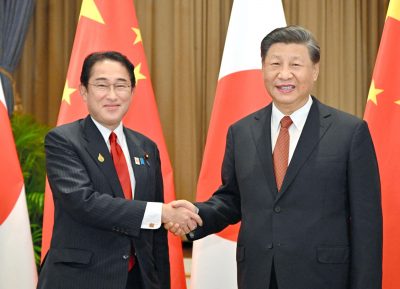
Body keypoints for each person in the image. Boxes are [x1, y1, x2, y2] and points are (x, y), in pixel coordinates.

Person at [168, 26, 382, 289]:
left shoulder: (349, 132)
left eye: (295, 64)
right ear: (263, 69)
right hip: (259, 275)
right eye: (275, 64)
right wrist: (197, 214)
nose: (284, 74)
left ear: (314, 71)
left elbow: (366, 223)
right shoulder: (241, 131)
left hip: (324, 278)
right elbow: (232, 199)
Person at [37, 51, 202, 289]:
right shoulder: (63, 140)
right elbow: (84, 203)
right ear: (83, 91)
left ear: (132, 92)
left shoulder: (146, 147)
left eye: (121, 85)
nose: (112, 95)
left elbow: (156, 236)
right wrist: (162, 213)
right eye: (102, 85)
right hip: (80, 279)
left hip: (137, 279)